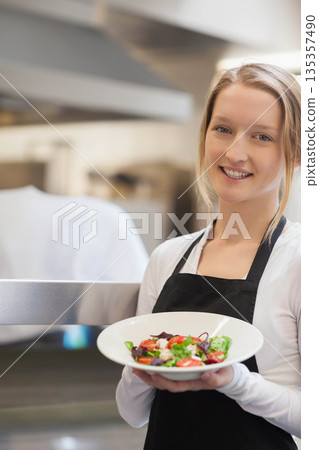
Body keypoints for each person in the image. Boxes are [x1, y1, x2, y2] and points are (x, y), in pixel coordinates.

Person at [116, 63, 301, 449]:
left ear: (294, 153)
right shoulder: (168, 258)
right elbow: (132, 414)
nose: (235, 153)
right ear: (204, 137)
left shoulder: (302, 262)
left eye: (262, 137)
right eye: (223, 130)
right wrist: (141, 367)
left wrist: (235, 381)